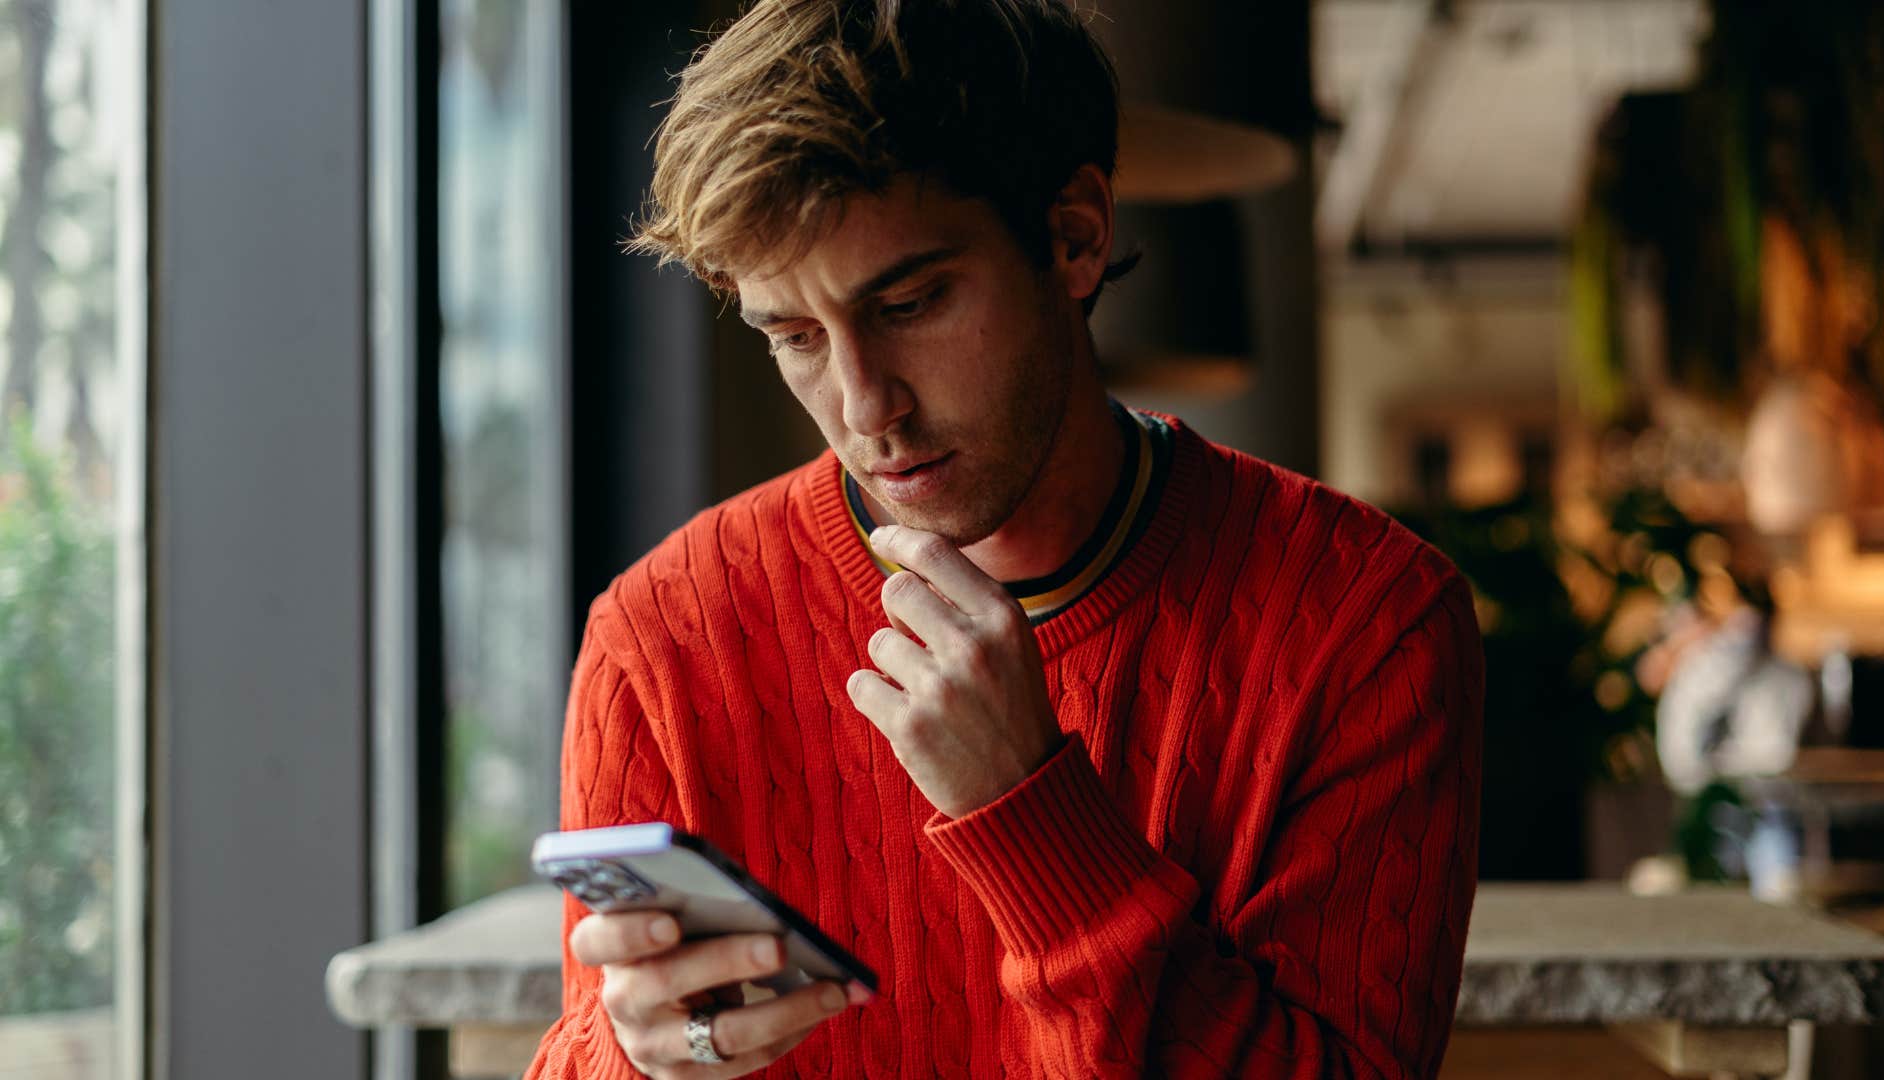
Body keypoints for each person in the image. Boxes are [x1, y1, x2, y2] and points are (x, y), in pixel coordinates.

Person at [527, 1, 1483, 1077]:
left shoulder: (1370, 621)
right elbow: (595, 1046)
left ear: (1075, 235)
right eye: (793, 337)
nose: (863, 406)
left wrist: (1027, 811)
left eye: (912, 302)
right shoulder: (663, 636)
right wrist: (637, 1052)